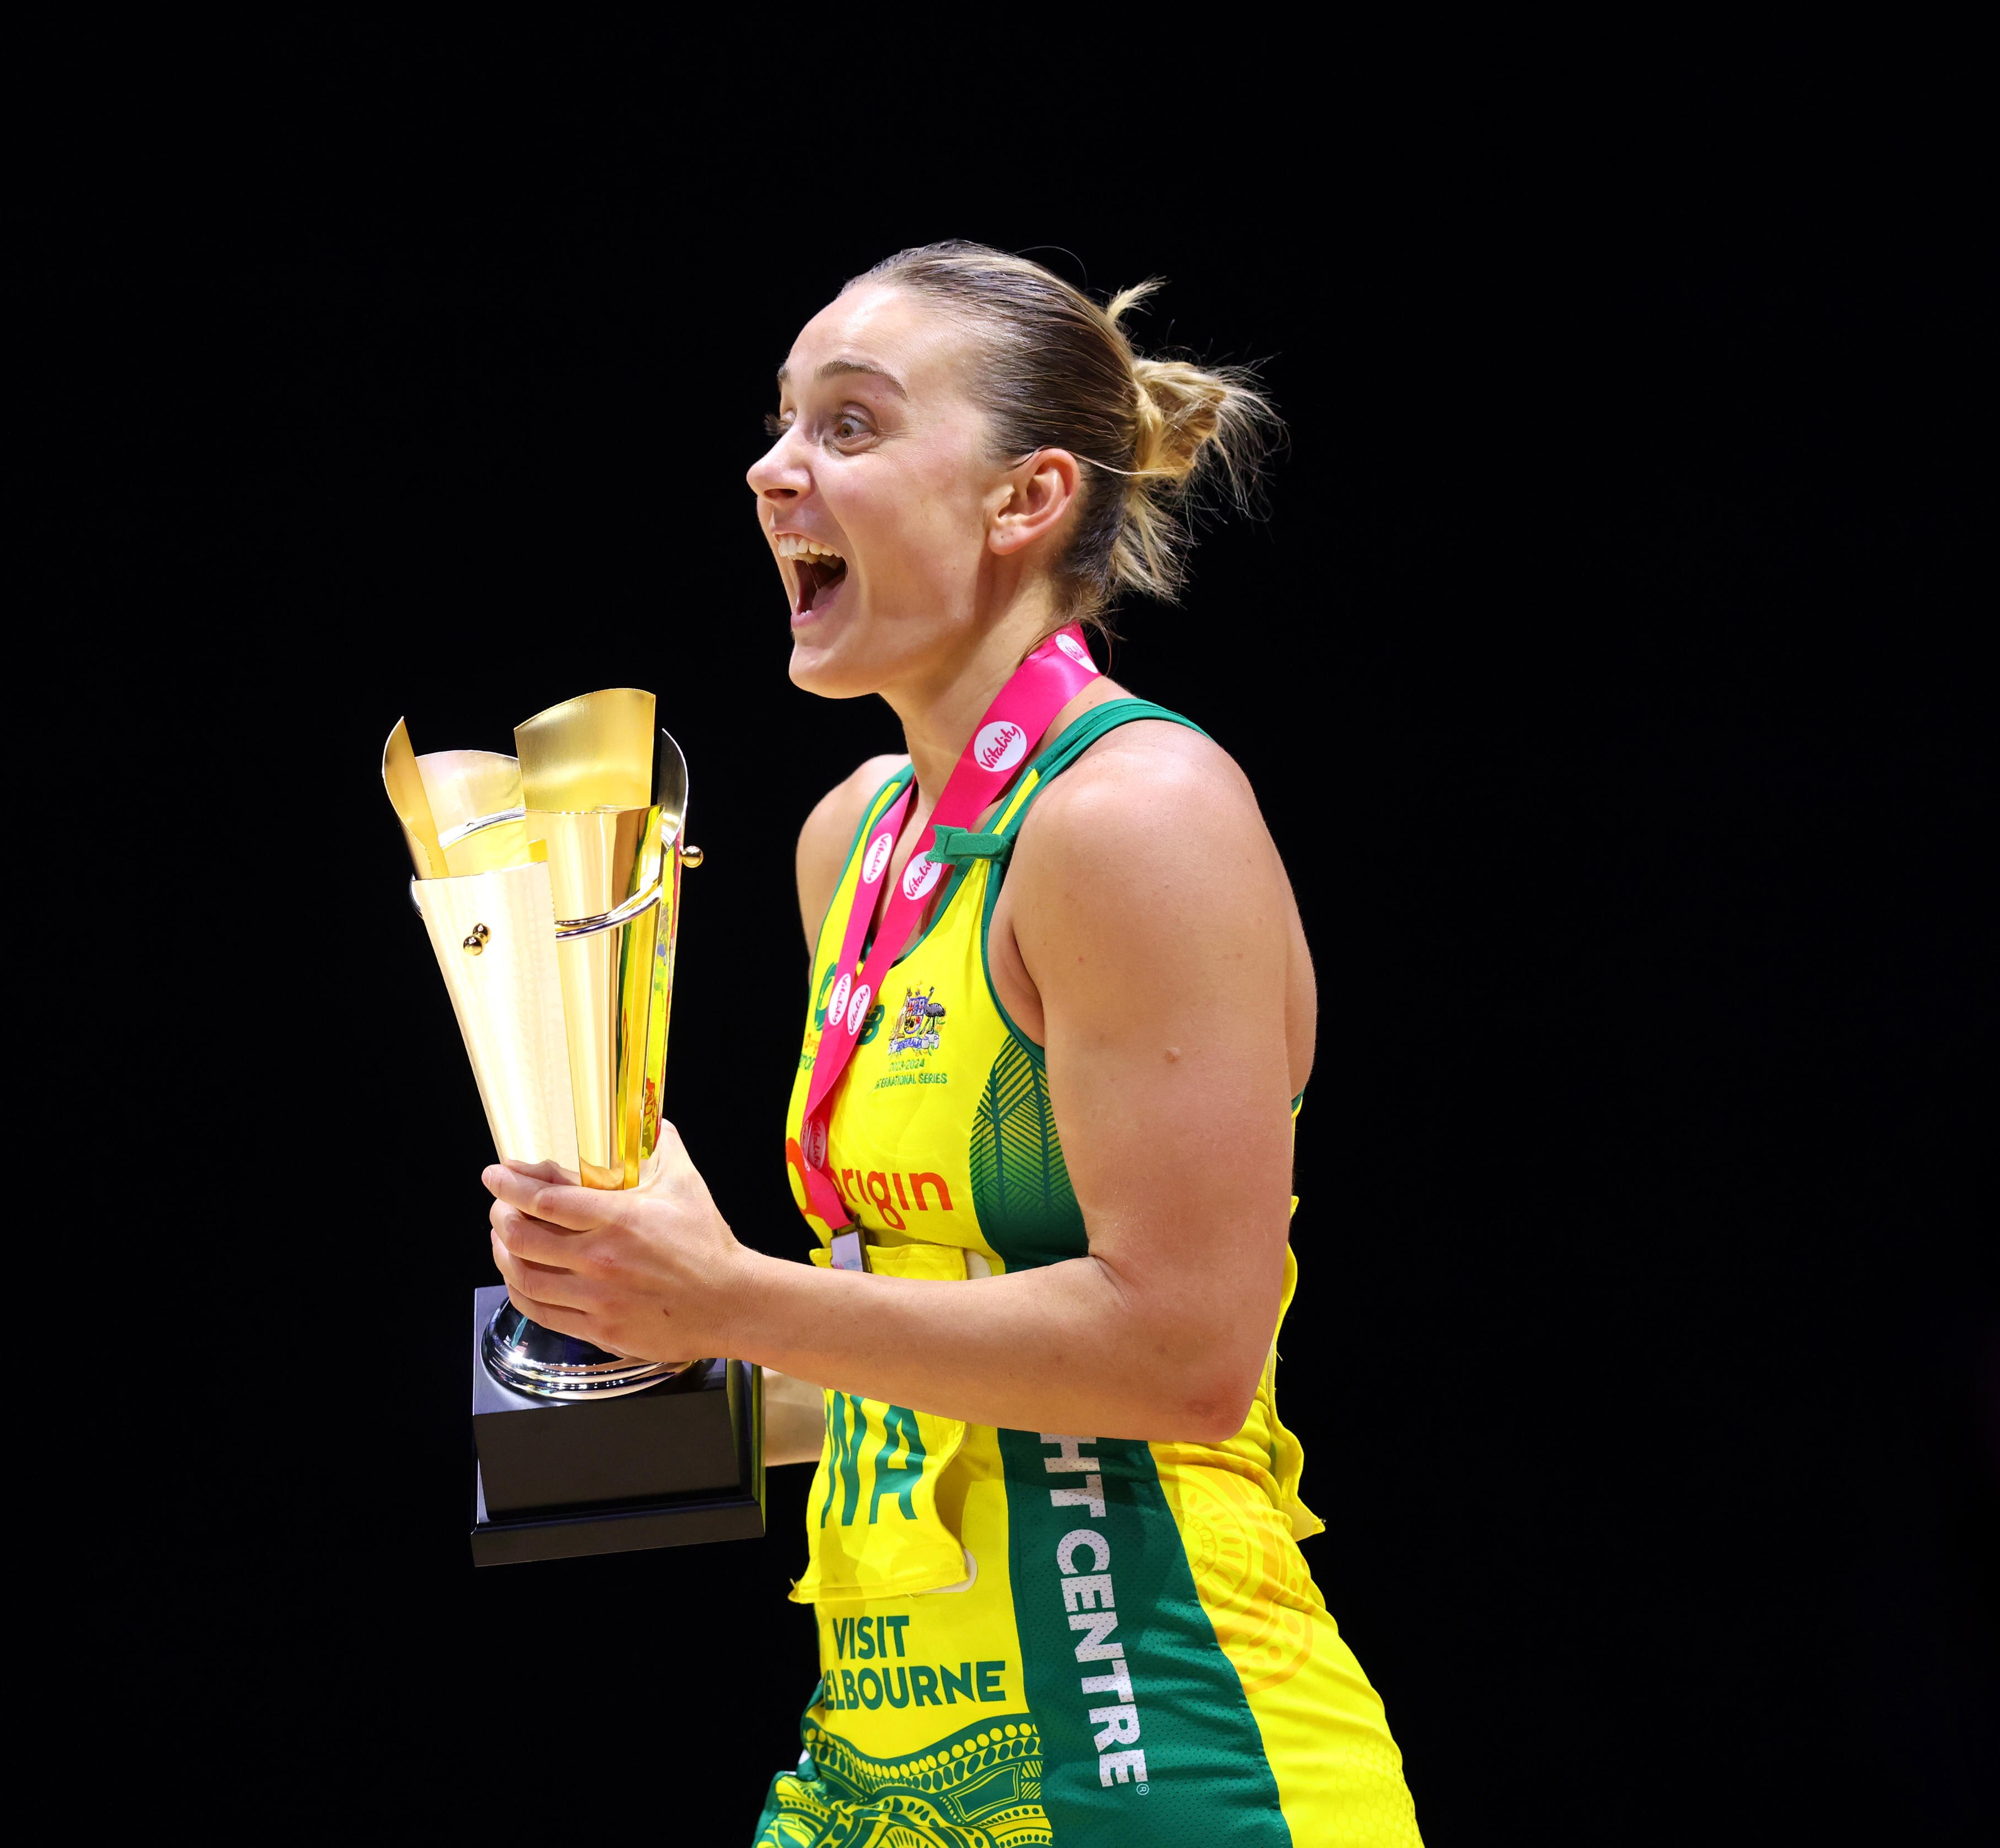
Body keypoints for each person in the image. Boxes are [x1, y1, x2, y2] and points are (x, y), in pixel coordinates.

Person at [482, 242, 1422, 1845]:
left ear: (1026, 498)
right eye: (781, 425)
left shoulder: (1136, 818)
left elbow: (1185, 1351)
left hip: (1159, 1761)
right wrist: (615, 1351)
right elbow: (905, 1350)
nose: (776, 471)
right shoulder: (853, 840)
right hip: (882, 1770)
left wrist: (728, 1296)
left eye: (849, 428)